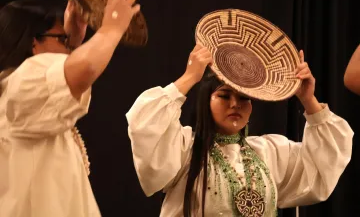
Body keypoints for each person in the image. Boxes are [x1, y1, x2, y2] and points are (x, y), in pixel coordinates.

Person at [126, 44, 353, 216]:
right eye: (224, 96)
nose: (235, 104)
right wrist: (189, 77)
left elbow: (324, 164)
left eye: (244, 98)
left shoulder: (270, 152)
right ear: (206, 102)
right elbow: (145, 124)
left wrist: (308, 99)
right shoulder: (185, 149)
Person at [0, 0, 140, 216]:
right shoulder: (21, 83)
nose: (67, 46)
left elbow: (68, 75)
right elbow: (82, 69)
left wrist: (73, 41)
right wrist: (112, 27)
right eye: (60, 38)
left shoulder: (20, 88)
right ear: (34, 42)